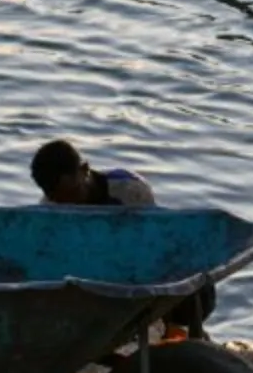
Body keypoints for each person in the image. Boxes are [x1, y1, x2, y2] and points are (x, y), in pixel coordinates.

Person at [31, 140, 213, 336]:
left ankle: (181, 331)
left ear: (85, 170)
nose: (71, 204)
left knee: (194, 285)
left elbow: (152, 246)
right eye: (60, 199)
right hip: (90, 276)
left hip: (136, 267)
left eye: (74, 193)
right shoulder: (50, 212)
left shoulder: (129, 190)